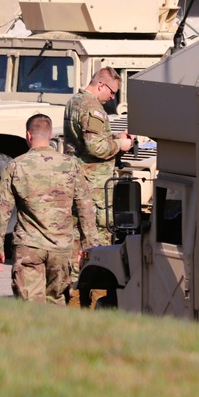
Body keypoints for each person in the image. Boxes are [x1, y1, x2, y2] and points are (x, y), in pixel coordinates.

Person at [0, 113, 99, 304]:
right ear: (50, 137)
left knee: (30, 305)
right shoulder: (70, 165)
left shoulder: (15, 166)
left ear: (28, 136)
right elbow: (86, 208)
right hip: (62, 249)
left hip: (29, 247)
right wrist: (90, 246)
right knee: (56, 302)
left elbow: (2, 209)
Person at [63, 67, 134, 304]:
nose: (113, 98)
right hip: (94, 186)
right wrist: (120, 146)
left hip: (79, 179)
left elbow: (84, 144)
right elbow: (95, 148)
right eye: (113, 92)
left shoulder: (74, 101)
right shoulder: (92, 108)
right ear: (102, 85)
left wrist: (115, 139)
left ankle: (73, 294)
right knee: (99, 244)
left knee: (77, 240)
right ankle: (91, 302)